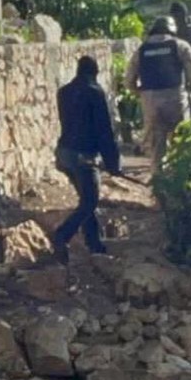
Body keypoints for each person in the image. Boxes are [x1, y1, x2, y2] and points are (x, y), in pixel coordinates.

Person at [52, 56, 121, 264]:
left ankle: (94, 244)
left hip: (64, 153)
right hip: (84, 155)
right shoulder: (95, 92)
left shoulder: (63, 92)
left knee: (86, 200)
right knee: (90, 200)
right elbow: (104, 131)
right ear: (95, 72)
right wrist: (113, 163)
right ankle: (62, 235)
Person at [126, 16, 191, 171]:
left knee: (157, 152)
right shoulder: (180, 46)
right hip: (176, 100)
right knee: (182, 147)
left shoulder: (142, 50)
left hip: (151, 104)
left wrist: (141, 93)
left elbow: (129, 80)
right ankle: (179, 185)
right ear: (172, 30)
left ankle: (158, 186)